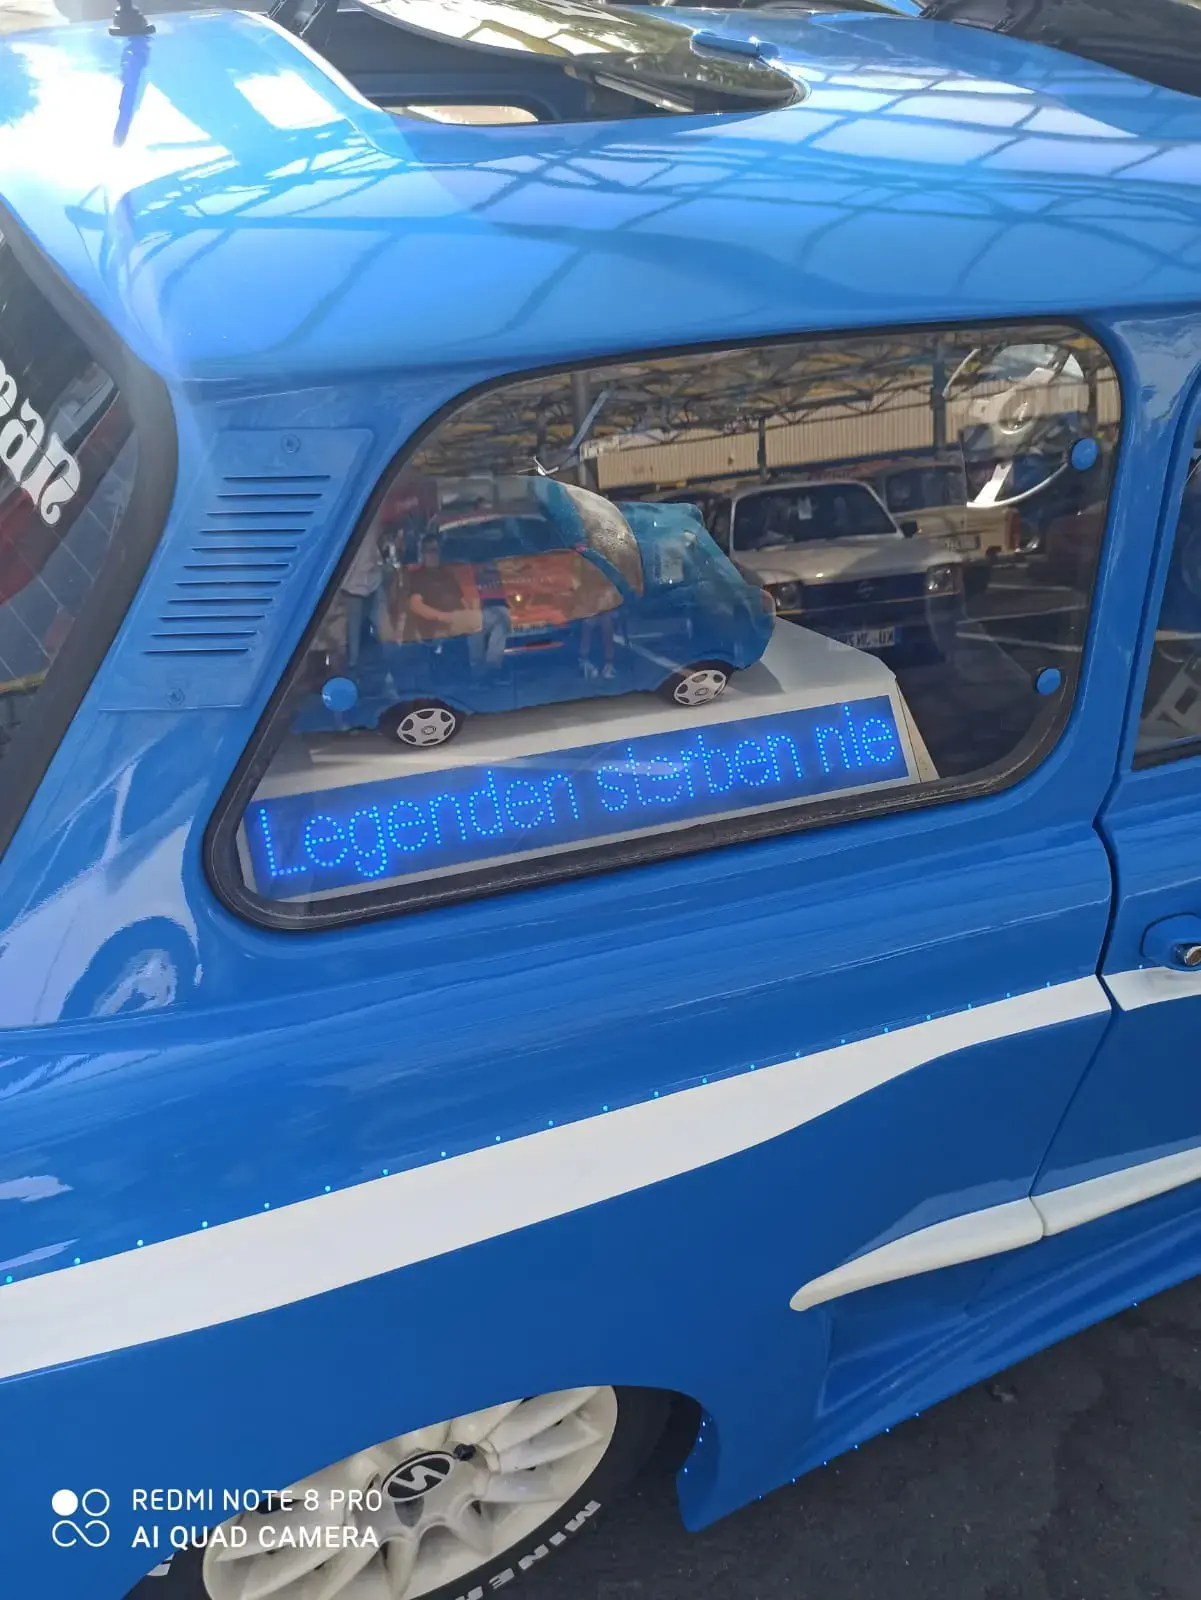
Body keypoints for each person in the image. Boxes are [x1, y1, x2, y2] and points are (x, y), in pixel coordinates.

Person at [405, 533, 479, 640]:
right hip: (438, 631)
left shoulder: (447, 574)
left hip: (460, 626)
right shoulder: (417, 577)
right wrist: (443, 617)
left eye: (435, 551)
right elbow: (415, 605)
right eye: (429, 551)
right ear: (422, 554)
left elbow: (461, 599)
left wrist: (469, 616)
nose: (433, 555)